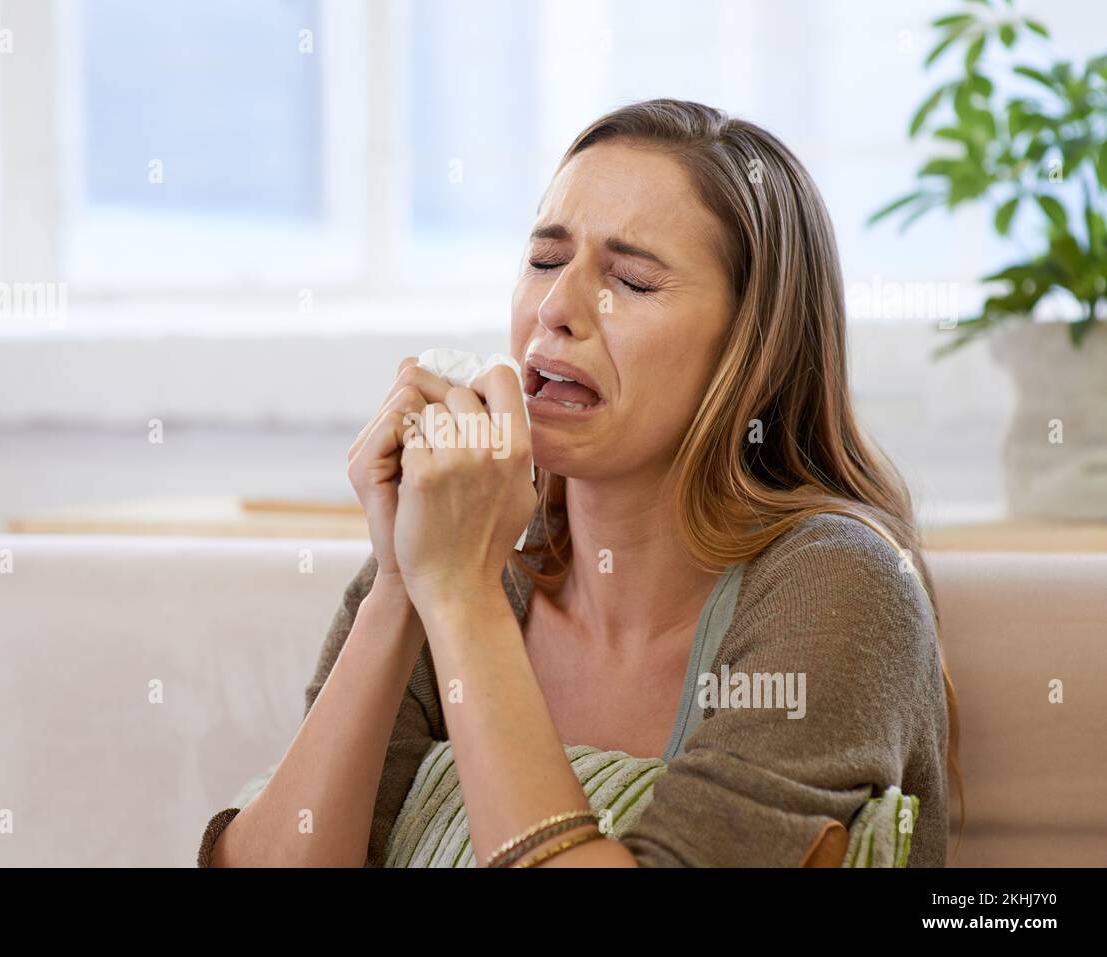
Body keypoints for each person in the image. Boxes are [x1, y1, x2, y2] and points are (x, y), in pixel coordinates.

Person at [201, 98, 959, 868]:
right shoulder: (455, 547)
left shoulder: (840, 587)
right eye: (545, 259)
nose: (557, 309)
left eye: (630, 280)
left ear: (750, 350)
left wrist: (460, 598)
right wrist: (400, 585)